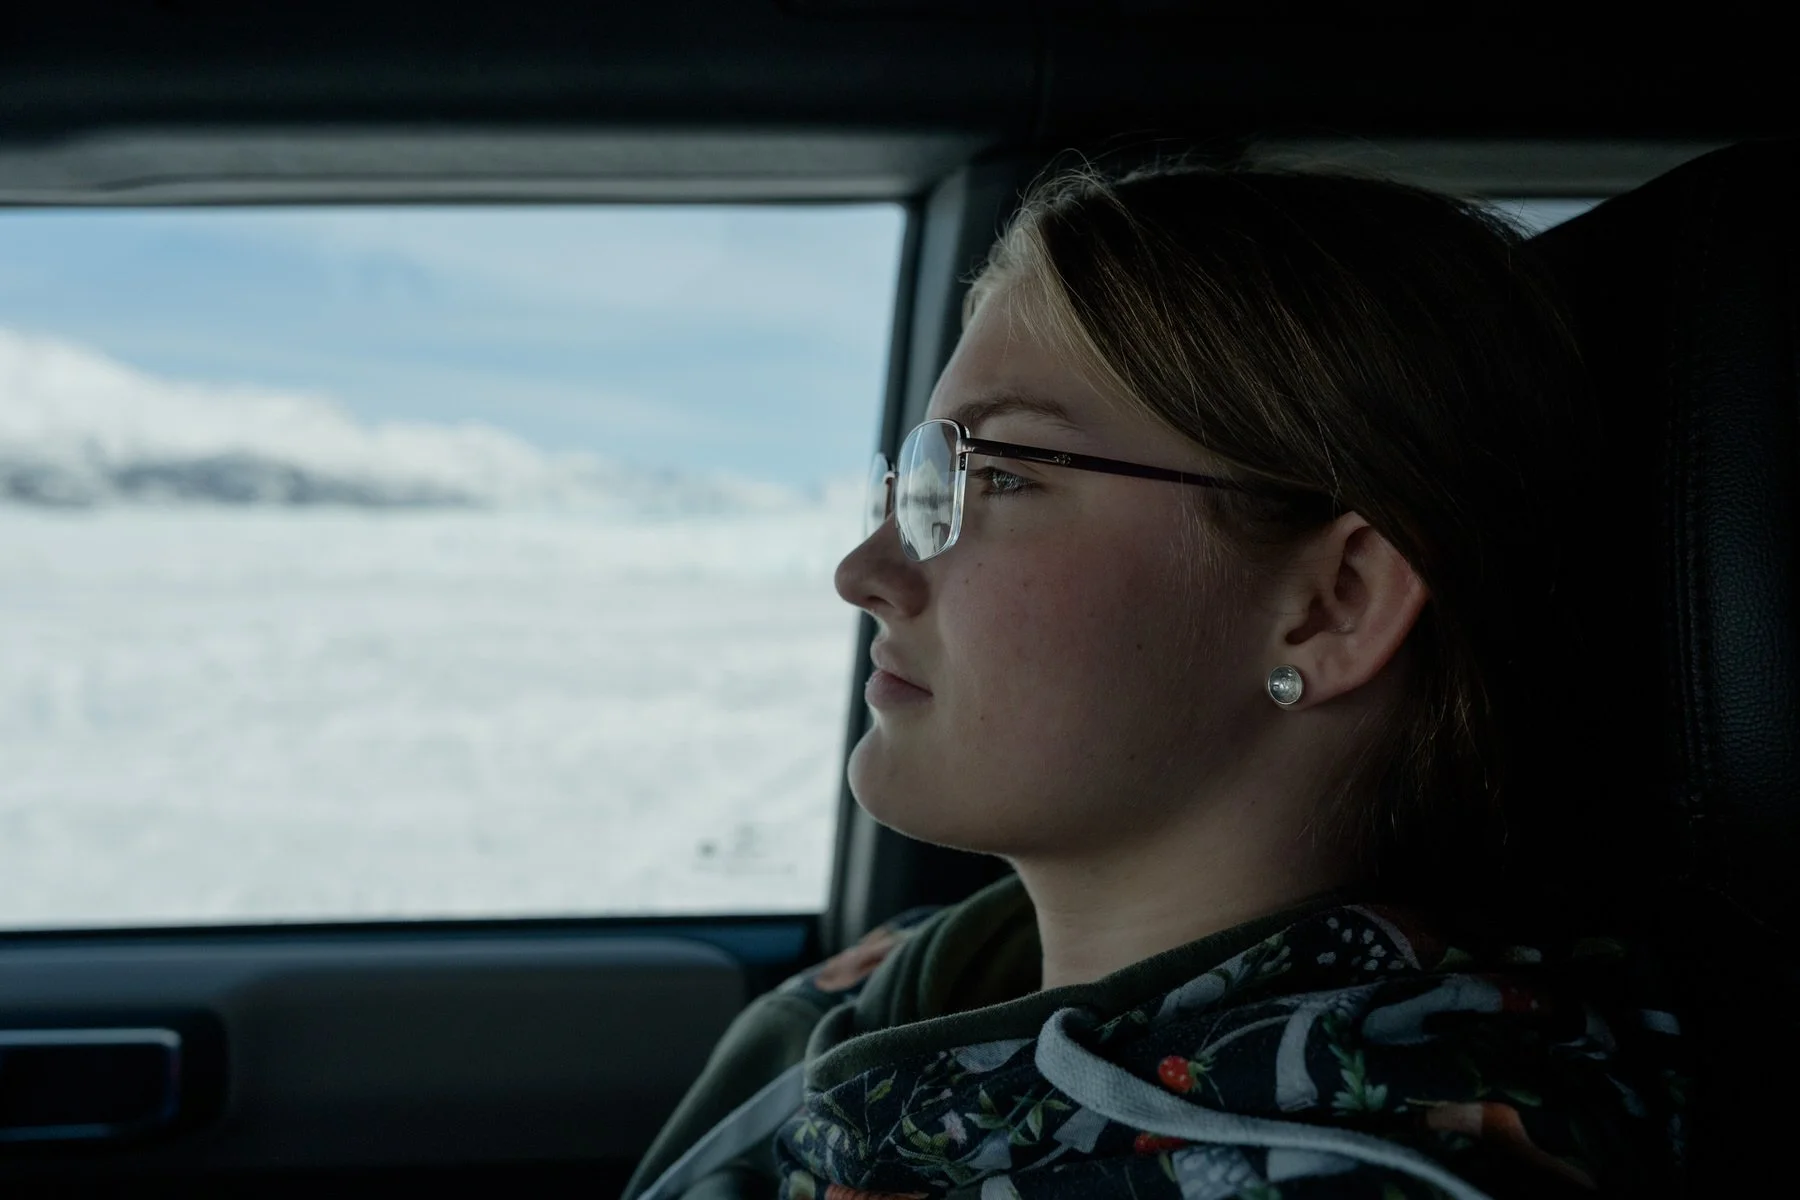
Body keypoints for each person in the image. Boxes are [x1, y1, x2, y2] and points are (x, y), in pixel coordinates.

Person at [623, 162, 1682, 1200]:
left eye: (999, 476)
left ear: (1333, 604)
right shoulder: (882, 995)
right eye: (920, 482)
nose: (866, 574)